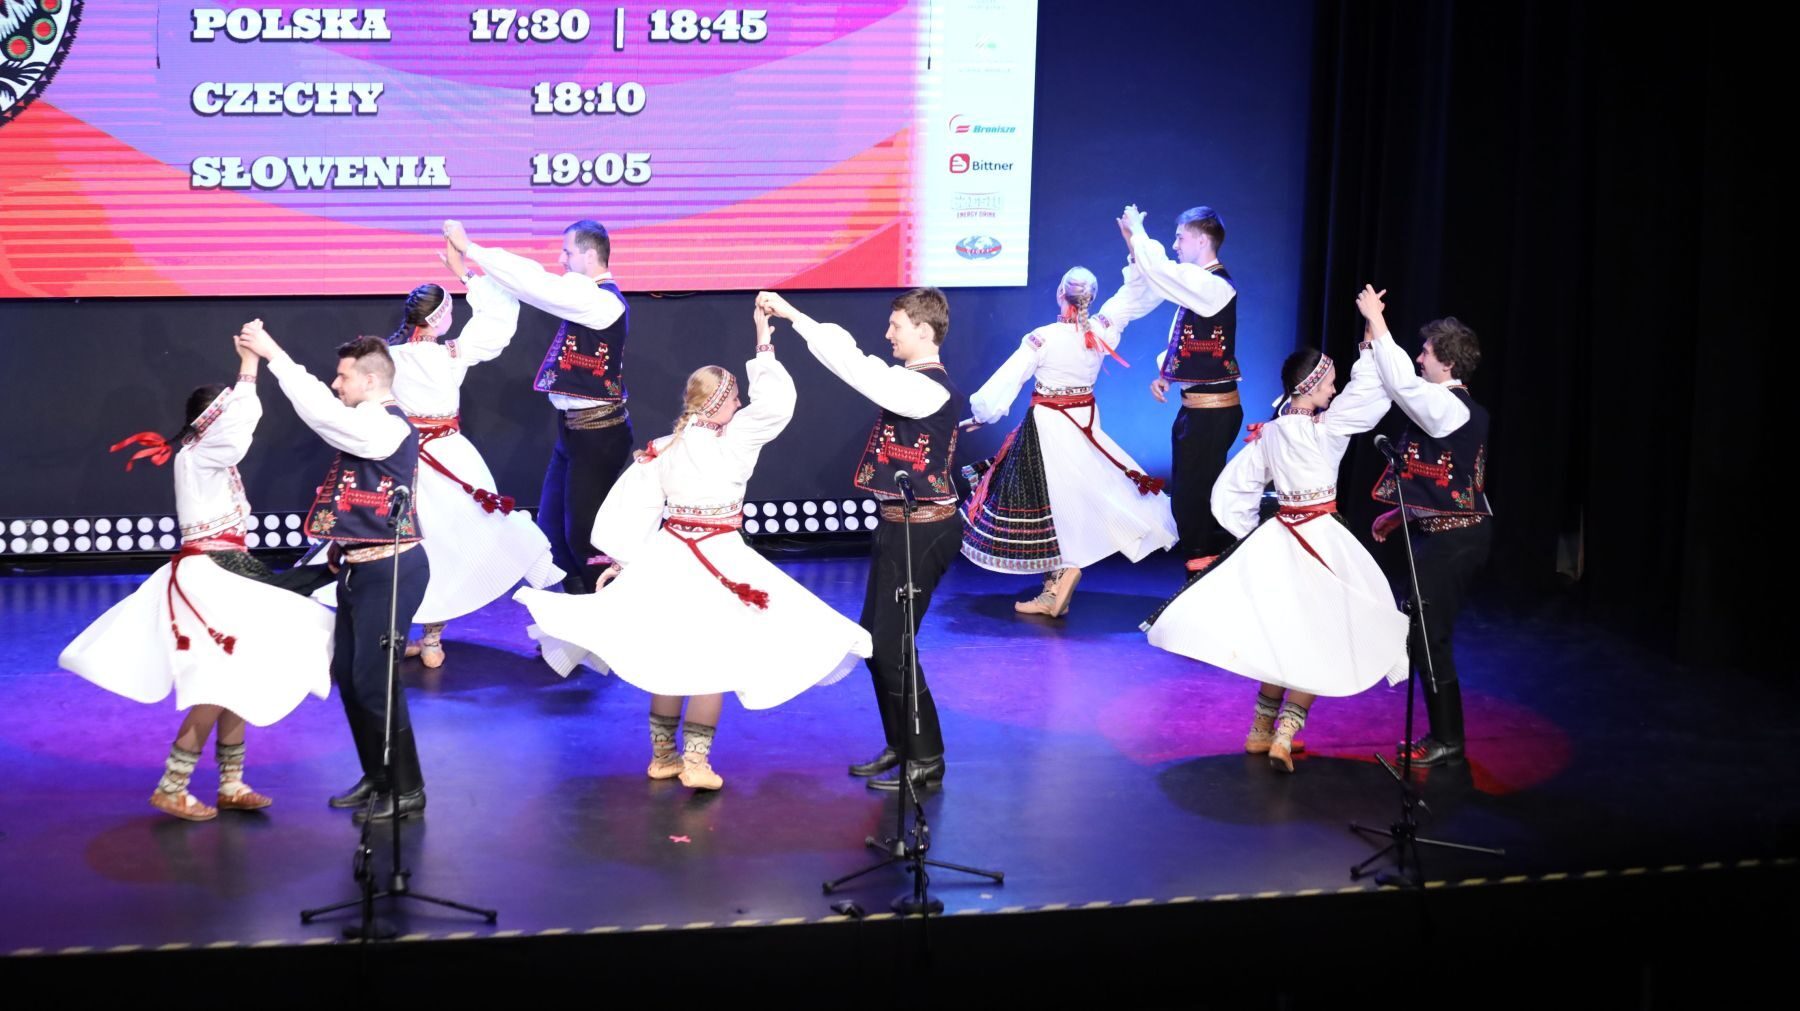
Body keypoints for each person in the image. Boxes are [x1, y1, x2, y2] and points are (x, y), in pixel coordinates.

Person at [515, 305, 871, 790]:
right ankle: (696, 763)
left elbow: (631, 508)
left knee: (672, 655)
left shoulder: (665, 447)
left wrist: (625, 559)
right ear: (720, 402)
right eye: (736, 398)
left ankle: (663, 757)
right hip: (719, 557)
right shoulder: (735, 441)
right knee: (712, 658)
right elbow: (778, 404)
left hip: (670, 557)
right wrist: (763, 343)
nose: (740, 406)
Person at [60, 335, 334, 821]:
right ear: (213, 422)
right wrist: (249, 367)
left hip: (221, 571)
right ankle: (173, 785)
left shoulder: (206, 457)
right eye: (224, 418)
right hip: (209, 576)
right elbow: (240, 429)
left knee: (240, 672)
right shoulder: (202, 453)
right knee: (217, 681)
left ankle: (231, 782)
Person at [1144, 288, 1406, 772]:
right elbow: (1369, 395)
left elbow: (1231, 490)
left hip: (1283, 535)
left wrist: (1252, 533)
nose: (1334, 391)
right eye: (1329, 383)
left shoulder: (1272, 432)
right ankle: (1285, 734)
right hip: (1321, 535)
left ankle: (1259, 731)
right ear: (1312, 385)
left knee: (1284, 633)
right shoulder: (1327, 429)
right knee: (1321, 633)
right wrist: (1373, 338)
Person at [756, 287, 961, 792]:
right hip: (898, 522)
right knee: (876, 641)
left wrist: (794, 315)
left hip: (923, 528)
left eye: (896, 325)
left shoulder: (927, 388)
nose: (888, 334)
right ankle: (902, 744)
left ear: (923, 330)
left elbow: (857, 367)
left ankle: (926, 758)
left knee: (892, 644)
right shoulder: (912, 383)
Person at [238, 322, 430, 822]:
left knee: (375, 681)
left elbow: (322, 414)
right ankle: (378, 776)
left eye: (343, 376)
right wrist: (338, 547)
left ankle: (407, 789)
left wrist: (275, 356)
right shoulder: (368, 422)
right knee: (349, 674)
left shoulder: (385, 426)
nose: (335, 384)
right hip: (358, 567)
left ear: (370, 381)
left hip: (391, 570)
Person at [960, 266, 1176, 616]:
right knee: (1074, 496)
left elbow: (1009, 378)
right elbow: (1133, 297)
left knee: (1049, 501)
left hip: (1049, 426)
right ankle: (1059, 578)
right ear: (1092, 297)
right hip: (1085, 420)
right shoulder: (1103, 329)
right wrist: (1139, 259)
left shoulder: (1042, 338)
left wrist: (982, 414)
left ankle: (1060, 576)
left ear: (1060, 293)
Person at [443, 218, 631, 594]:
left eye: (567, 252)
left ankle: (608, 615)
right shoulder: (585, 297)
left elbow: (533, 283)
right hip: (574, 430)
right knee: (553, 534)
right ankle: (575, 615)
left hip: (599, 434)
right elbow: (525, 284)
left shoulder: (600, 301)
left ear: (589, 255)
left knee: (583, 538)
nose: (561, 259)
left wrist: (472, 249)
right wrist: (467, 274)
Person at [1365, 294, 1494, 768]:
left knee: (1428, 636)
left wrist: (1377, 321)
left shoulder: (1448, 405)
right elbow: (1442, 478)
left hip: (1455, 539)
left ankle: (1448, 739)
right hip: (1447, 534)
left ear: (1448, 363)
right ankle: (1445, 736)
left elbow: (1401, 384)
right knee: (1423, 633)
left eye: (1426, 352)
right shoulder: (1447, 407)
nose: (1420, 358)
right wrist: (1400, 515)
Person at [1094, 204, 1246, 571]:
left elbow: (1161, 272)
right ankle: (1200, 560)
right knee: (1189, 494)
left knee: (1195, 494)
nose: (1175, 245)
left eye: (1180, 238)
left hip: (1212, 411)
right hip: (1198, 409)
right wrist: (1168, 373)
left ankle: (1203, 565)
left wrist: (1139, 232)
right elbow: (1175, 314)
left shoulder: (1213, 284)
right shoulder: (1200, 285)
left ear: (1201, 240)